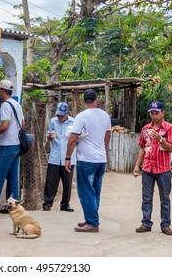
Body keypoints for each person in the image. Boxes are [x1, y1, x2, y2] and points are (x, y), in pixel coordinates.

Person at [65, 88, 111, 233]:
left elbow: (72, 138)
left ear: (84, 101)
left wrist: (67, 157)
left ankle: (92, 222)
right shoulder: (105, 116)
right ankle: (91, 218)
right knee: (95, 191)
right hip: (100, 159)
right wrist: (102, 149)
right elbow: (108, 135)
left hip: (86, 159)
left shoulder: (81, 116)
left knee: (85, 191)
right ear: (96, 100)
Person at [133, 101, 172, 236]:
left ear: (163, 112)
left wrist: (160, 140)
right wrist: (137, 166)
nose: (154, 116)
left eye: (156, 113)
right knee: (146, 198)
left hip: (163, 169)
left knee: (165, 198)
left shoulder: (169, 128)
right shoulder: (146, 129)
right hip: (147, 168)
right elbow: (142, 147)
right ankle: (146, 223)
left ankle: (165, 225)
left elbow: (171, 148)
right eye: (152, 113)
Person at [0, 80, 24, 215]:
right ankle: (12, 206)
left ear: (2, 91)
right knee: (13, 178)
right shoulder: (16, 104)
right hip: (17, 145)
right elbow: (23, 123)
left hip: (7, 145)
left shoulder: (5, 106)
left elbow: (4, 126)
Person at [42, 102, 76, 212]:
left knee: (67, 182)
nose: (60, 117)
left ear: (67, 113)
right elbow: (49, 137)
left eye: (62, 115)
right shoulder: (53, 122)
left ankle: (65, 204)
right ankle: (47, 203)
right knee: (51, 181)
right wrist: (50, 137)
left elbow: (76, 138)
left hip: (69, 157)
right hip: (55, 156)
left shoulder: (73, 122)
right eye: (58, 115)